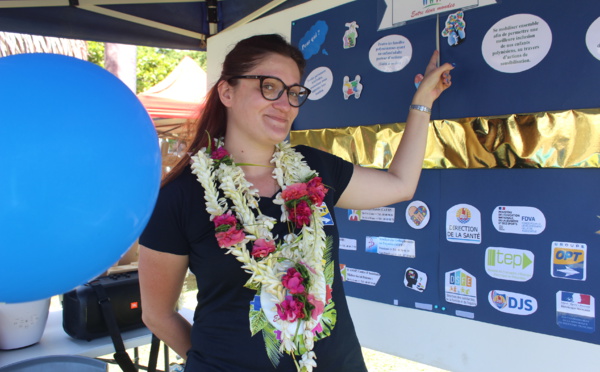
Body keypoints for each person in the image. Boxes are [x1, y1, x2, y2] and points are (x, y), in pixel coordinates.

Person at [138, 34, 453, 372]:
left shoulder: (315, 169)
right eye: (269, 86)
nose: (285, 104)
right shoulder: (180, 196)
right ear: (226, 91)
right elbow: (157, 314)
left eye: (293, 93)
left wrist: (422, 103)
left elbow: (400, 185)